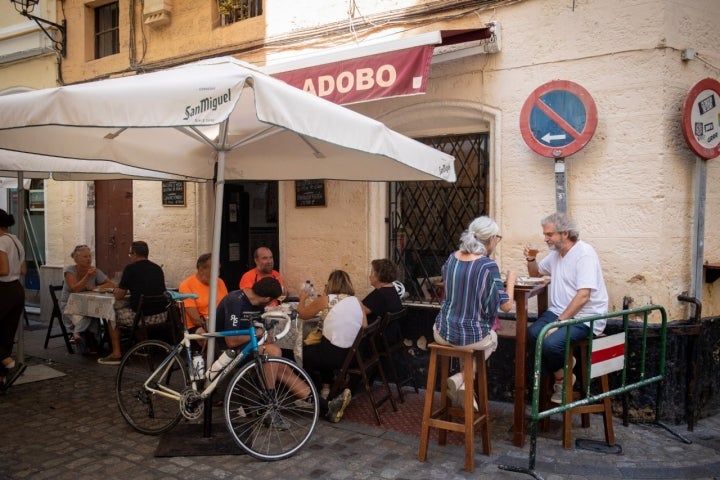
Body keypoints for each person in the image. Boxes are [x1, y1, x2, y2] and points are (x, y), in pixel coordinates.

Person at [215, 277, 352, 424]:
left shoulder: (258, 303)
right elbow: (231, 341)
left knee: (283, 368)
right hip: (230, 352)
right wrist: (258, 334)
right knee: (273, 352)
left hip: (251, 347)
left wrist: (265, 336)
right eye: (271, 301)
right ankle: (267, 407)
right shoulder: (235, 301)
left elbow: (261, 330)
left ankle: (326, 407)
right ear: (267, 298)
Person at [525, 212, 609, 403]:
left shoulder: (584, 254)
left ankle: (561, 381)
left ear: (564, 233)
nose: (545, 238)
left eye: (549, 234)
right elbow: (536, 274)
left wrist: (559, 323)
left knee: (550, 344)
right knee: (532, 335)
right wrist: (531, 259)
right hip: (558, 311)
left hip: (586, 317)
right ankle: (563, 371)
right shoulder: (556, 254)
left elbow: (584, 295)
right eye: (545, 234)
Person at [433, 216, 516, 408]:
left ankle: (464, 387)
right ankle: (463, 377)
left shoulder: (452, 258)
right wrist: (510, 280)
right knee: (492, 339)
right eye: (497, 238)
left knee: (476, 342)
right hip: (472, 338)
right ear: (491, 240)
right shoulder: (487, 265)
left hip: (441, 332)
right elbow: (506, 306)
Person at [297, 270, 366, 416]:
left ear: (331, 283)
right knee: (323, 345)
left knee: (304, 353)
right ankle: (326, 387)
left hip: (333, 356)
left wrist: (302, 298)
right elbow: (364, 325)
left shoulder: (326, 300)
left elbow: (302, 314)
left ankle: (312, 392)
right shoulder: (356, 301)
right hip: (353, 356)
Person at [99, 241, 166, 365]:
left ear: (134, 253)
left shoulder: (131, 269)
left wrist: (114, 289)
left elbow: (119, 295)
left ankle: (116, 354)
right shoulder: (157, 268)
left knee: (111, 315)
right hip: (162, 315)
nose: (130, 256)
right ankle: (143, 346)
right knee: (135, 308)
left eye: (130, 254)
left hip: (143, 317)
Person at [60, 244, 115, 351]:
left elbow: (111, 284)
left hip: (88, 305)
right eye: (85, 257)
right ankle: (88, 341)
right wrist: (87, 277)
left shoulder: (93, 270)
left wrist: (96, 287)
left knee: (91, 311)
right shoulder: (70, 271)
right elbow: (75, 289)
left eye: (89, 256)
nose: (88, 259)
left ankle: (81, 336)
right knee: (90, 313)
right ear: (76, 259)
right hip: (70, 306)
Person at [178, 253, 228, 350]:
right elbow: (195, 319)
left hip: (219, 323)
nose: (217, 273)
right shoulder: (187, 285)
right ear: (201, 269)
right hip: (198, 326)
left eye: (218, 269)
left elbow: (227, 305)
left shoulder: (219, 281)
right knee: (206, 336)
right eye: (214, 270)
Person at [0, 209, 26, 388]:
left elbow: (3, 270)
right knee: (6, 334)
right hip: (17, 289)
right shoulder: (16, 240)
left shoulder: (0, 241)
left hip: (3, 289)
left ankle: (9, 362)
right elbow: (23, 270)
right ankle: (1, 377)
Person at [361, 258, 403, 324]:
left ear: (379, 275)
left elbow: (360, 312)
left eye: (372, 272)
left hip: (373, 333)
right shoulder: (391, 290)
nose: (369, 276)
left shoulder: (380, 295)